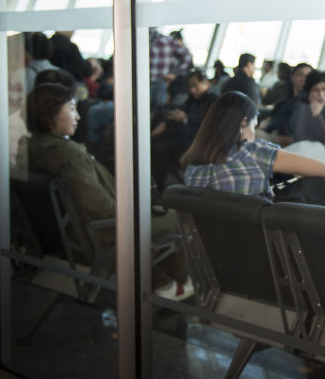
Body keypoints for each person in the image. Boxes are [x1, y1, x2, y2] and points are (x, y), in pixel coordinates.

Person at [19, 83, 191, 299]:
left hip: (68, 234)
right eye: (71, 109)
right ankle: (170, 284)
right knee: (182, 217)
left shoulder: (32, 149)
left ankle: (160, 279)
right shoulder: (69, 157)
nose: (78, 116)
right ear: (50, 114)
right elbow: (99, 206)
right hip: (103, 233)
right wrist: (134, 208)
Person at [181, 91, 325, 199]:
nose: (254, 133)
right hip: (261, 231)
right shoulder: (255, 152)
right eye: (253, 126)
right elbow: (324, 170)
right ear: (243, 123)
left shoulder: (192, 167)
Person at [151, 69, 218, 189]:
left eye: (195, 86)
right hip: (182, 132)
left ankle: (159, 186)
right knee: (160, 122)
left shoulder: (214, 100)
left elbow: (209, 122)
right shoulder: (194, 98)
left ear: (206, 83)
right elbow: (182, 110)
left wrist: (186, 118)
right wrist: (166, 122)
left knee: (160, 147)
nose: (192, 90)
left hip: (196, 137)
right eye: (190, 86)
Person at [149, 27, 192, 111]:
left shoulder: (166, 42)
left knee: (159, 109)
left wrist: (173, 74)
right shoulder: (167, 45)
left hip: (173, 87)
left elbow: (186, 59)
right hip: (167, 85)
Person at [289, 70, 325, 146]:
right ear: (308, 92)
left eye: (324, 89)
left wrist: (317, 115)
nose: (321, 94)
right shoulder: (303, 106)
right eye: (315, 90)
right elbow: (299, 137)